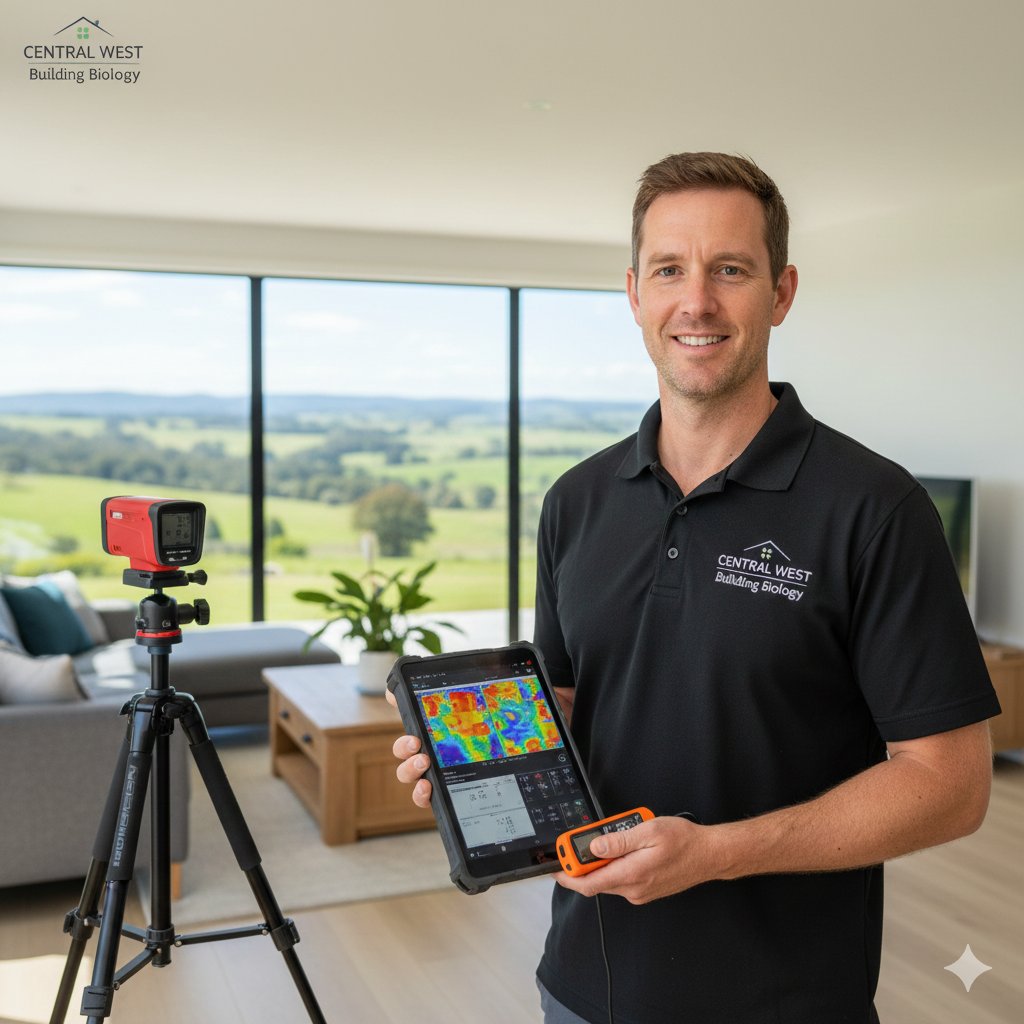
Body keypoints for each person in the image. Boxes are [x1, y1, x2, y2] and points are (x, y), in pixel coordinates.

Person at [388, 152, 1000, 1023]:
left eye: (731, 270)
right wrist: (473, 756)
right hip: (582, 984)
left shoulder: (877, 508)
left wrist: (715, 853)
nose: (697, 301)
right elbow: (565, 699)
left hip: (787, 1000)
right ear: (633, 292)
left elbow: (951, 784)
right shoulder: (577, 500)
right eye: (670, 269)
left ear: (781, 293)